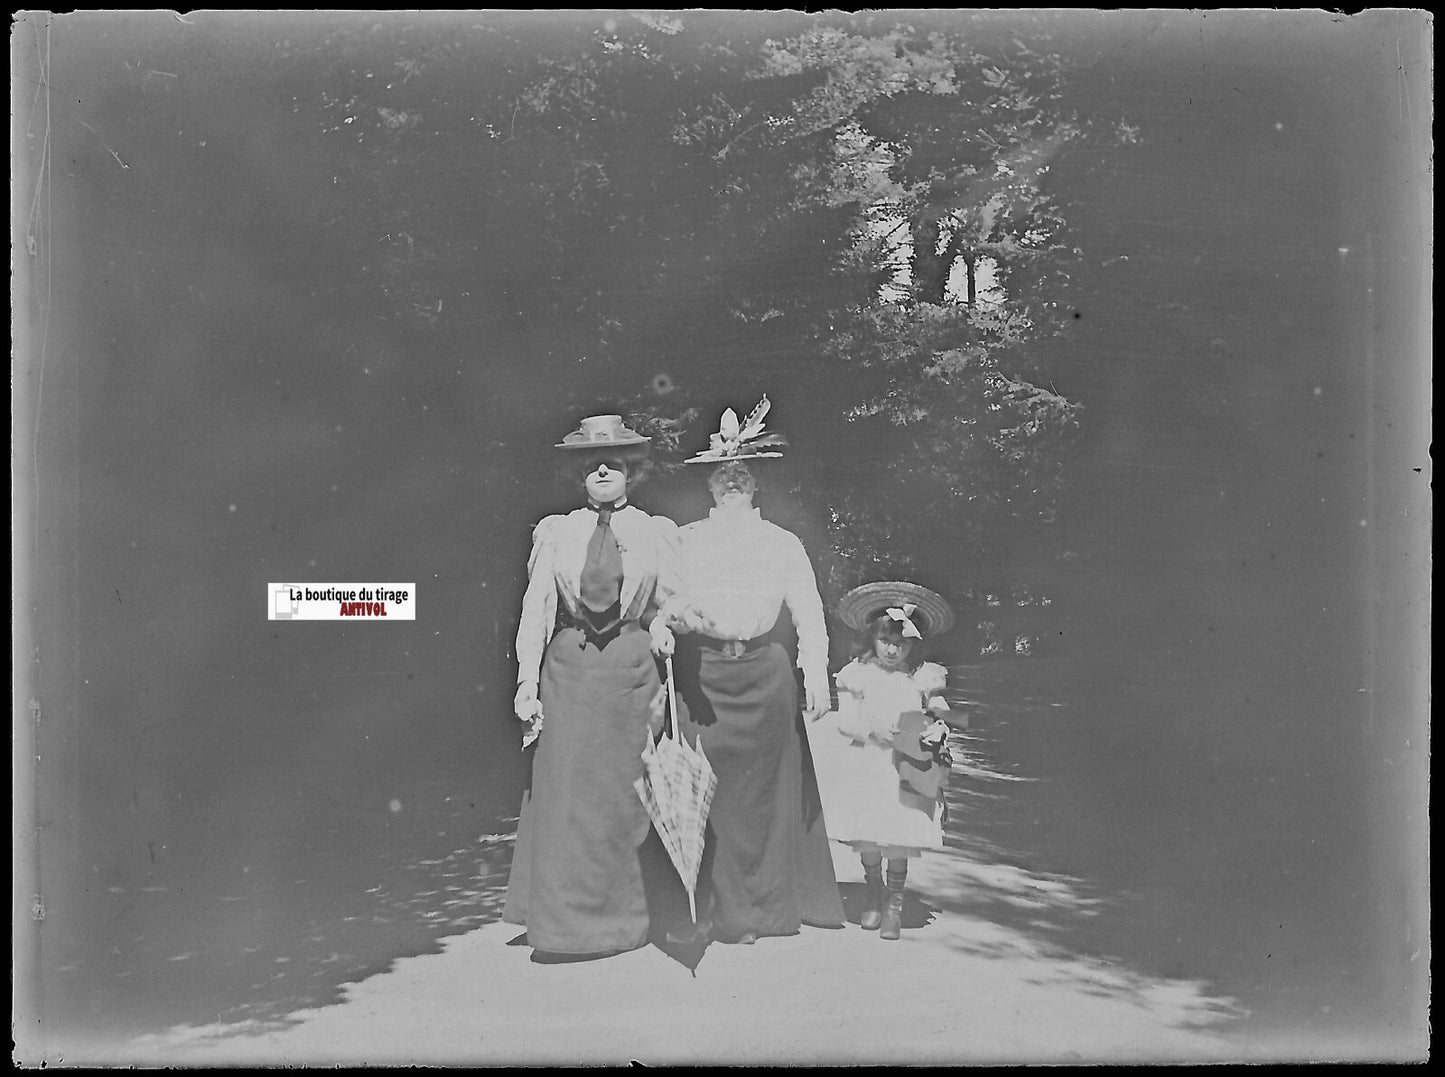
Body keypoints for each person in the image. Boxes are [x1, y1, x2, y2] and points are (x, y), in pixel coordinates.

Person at [661, 396, 845, 945]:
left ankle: (768, 910)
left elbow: (808, 611)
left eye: (741, 473)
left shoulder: (782, 543)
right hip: (705, 680)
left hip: (766, 676)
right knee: (708, 794)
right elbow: (666, 603)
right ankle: (715, 913)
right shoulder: (685, 539)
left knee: (766, 797)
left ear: (756, 482)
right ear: (708, 483)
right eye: (723, 473)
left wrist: (816, 673)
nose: (732, 481)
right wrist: (672, 622)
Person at [503, 414, 681, 961]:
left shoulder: (654, 531)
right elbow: (537, 609)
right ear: (579, 474)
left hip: (631, 672)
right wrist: (526, 682)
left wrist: (662, 625)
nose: (603, 471)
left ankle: (625, 924)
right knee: (569, 797)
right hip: (570, 672)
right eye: (592, 464)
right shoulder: (557, 531)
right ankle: (565, 928)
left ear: (633, 471)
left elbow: (672, 600)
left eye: (614, 463)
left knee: (625, 797)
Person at [806, 581, 956, 940]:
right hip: (869, 761)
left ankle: (894, 903)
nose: (892, 649)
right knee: (870, 832)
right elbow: (845, 721)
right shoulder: (858, 673)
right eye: (885, 640)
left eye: (901, 643)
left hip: (907, 763)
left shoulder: (921, 676)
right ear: (872, 638)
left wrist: (937, 726)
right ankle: (873, 890)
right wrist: (872, 729)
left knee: (899, 831)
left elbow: (939, 711)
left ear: (914, 644)